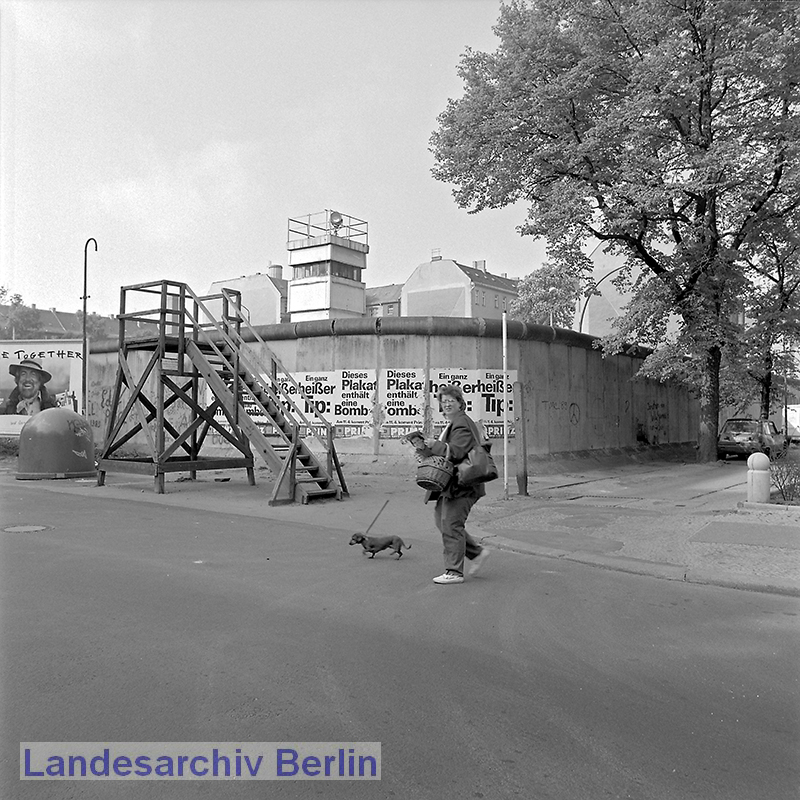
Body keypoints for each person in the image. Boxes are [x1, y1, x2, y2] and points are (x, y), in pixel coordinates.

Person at [413, 384, 491, 584]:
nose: (447, 404)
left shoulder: (462, 423)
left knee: (451, 524)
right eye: (443, 401)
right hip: (454, 484)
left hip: (463, 484)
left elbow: (456, 452)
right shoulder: (453, 423)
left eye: (451, 401)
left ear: (460, 403)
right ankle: (476, 553)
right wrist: (423, 449)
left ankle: (454, 571)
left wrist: (434, 445)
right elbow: (446, 453)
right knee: (442, 520)